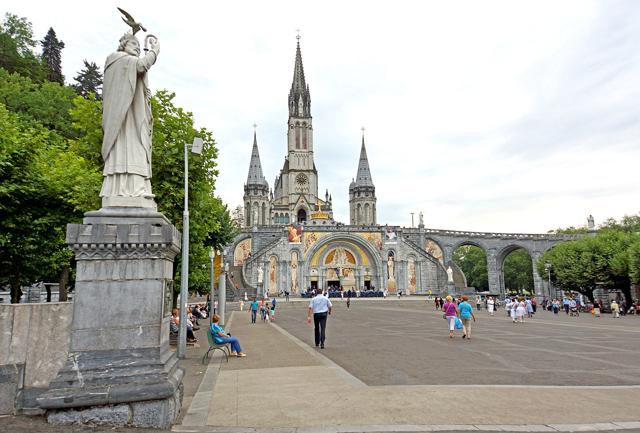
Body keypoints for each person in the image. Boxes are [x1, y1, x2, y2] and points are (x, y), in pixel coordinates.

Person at [100, 32, 160, 206]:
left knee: (137, 150)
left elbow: (138, 69)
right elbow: (142, 65)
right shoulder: (117, 59)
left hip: (132, 117)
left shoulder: (124, 62)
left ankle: (134, 189)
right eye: (134, 44)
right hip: (123, 120)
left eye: (139, 46)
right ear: (123, 45)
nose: (138, 48)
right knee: (130, 150)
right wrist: (155, 50)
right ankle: (125, 191)